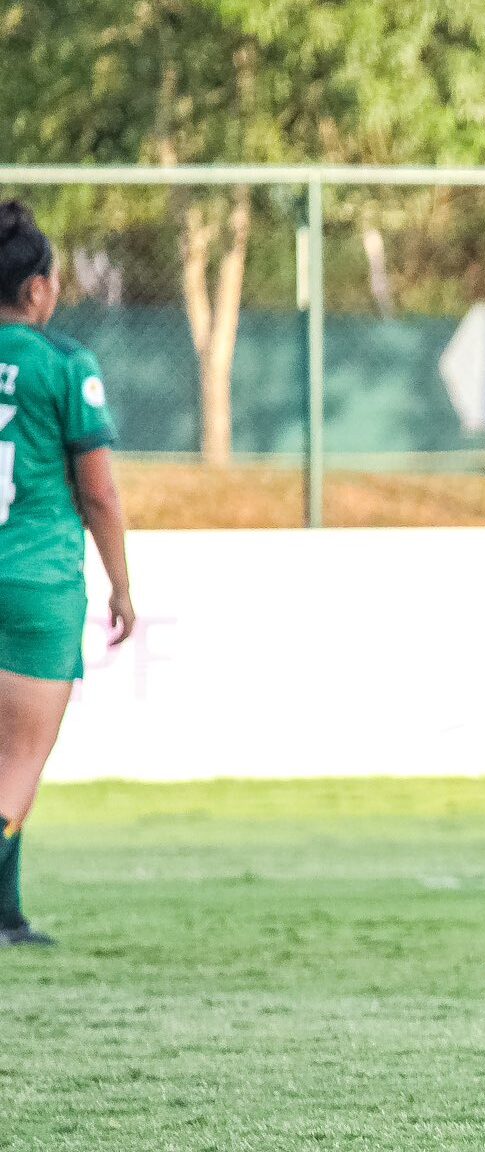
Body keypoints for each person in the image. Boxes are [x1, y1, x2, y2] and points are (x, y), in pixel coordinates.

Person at [0, 199, 134, 950]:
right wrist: (121, 585)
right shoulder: (63, 365)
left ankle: (5, 913)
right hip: (35, 582)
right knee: (18, 763)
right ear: (40, 289)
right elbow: (101, 493)